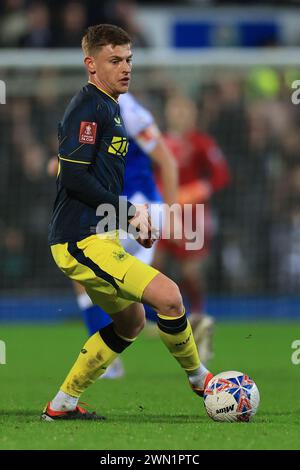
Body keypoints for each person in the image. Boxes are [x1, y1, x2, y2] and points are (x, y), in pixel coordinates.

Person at [42, 24, 213, 421]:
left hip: (101, 234)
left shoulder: (112, 107)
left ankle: (62, 404)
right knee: (170, 297)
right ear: (91, 64)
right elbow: (73, 176)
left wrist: (130, 220)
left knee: (132, 322)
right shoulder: (88, 107)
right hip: (79, 240)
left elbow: (91, 175)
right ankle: (202, 381)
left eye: (129, 60)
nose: (125, 68)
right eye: (114, 60)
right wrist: (130, 209)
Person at [153, 95, 231, 364]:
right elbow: (150, 174)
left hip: (193, 216)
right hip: (164, 213)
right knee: (154, 266)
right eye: (176, 109)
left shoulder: (202, 143)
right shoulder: (158, 142)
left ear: (194, 115)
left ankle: (198, 316)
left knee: (190, 270)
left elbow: (221, 175)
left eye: (186, 109)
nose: (181, 114)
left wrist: (200, 189)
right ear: (168, 112)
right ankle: (162, 319)